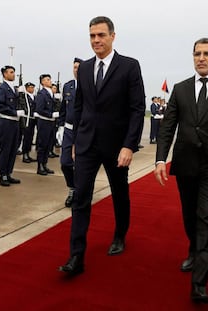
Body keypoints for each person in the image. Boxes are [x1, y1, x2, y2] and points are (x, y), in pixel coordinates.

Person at [154, 38, 208, 304]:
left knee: (207, 218)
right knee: (190, 216)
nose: (201, 58)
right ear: (193, 57)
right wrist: (160, 160)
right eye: (197, 54)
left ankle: (199, 283)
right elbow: (168, 127)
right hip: (186, 164)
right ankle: (194, 249)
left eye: (207, 54)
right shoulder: (180, 90)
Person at [59, 16, 145, 274]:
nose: (96, 40)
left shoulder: (129, 66)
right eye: (92, 36)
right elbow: (78, 107)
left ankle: (120, 235)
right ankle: (76, 256)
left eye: (101, 35)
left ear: (112, 36)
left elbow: (137, 108)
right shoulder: (84, 68)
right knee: (80, 196)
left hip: (117, 147)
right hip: (86, 144)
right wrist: (73, 140)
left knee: (120, 193)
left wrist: (129, 145)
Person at [58, 57, 82, 207]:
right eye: (74, 67)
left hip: (84, 131)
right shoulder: (68, 86)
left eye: (79, 67)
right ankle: (72, 188)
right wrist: (60, 126)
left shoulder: (91, 86)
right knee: (65, 163)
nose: (76, 70)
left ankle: (81, 191)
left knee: (82, 164)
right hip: (68, 130)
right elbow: (63, 109)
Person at [0, 65, 23, 186]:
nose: (13, 74)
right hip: (7, 121)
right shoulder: (2, 88)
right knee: (6, 149)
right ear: (4, 74)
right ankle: (3, 175)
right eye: (11, 72)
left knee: (13, 149)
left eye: (14, 72)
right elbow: (0, 106)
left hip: (15, 122)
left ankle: (9, 173)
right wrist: (14, 112)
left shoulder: (14, 88)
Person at [35, 74, 60, 175]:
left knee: (49, 144)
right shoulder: (42, 93)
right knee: (43, 145)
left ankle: (45, 164)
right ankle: (40, 166)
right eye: (47, 80)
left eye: (50, 79)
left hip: (51, 122)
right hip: (44, 122)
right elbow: (39, 109)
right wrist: (50, 114)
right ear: (43, 82)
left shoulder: (51, 93)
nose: (50, 81)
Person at [21, 82, 37, 163]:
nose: (32, 89)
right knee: (26, 138)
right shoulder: (24, 97)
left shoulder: (34, 97)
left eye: (33, 87)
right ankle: (25, 154)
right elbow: (24, 106)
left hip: (33, 119)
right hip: (27, 119)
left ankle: (28, 153)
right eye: (30, 87)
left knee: (31, 137)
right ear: (26, 88)